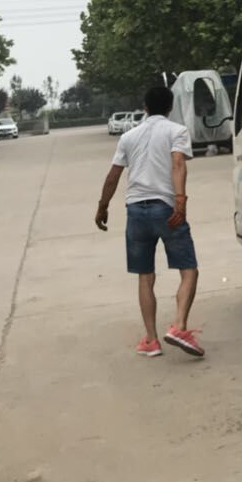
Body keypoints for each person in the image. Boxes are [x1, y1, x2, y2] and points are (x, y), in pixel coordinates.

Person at [94, 85, 202, 358]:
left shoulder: (128, 137)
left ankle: (151, 341)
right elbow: (178, 164)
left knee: (145, 276)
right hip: (166, 209)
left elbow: (113, 175)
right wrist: (180, 200)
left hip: (136, 212)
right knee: (188, 270)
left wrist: (102, 207)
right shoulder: (177, 131)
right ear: (170, 107)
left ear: (145, 106)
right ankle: (179, 326)